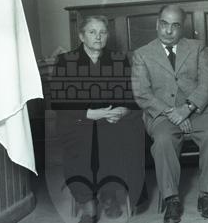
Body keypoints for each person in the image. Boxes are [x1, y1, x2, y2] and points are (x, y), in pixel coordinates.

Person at [49, 15, 145, 223]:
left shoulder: (118, 59)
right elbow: (59, 101)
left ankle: (109, 193)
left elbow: (130, 95)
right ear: (82, 36)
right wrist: (89, 114)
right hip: (79, 121)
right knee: (81, 143)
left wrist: (122, 111)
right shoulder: (65, 61)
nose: (98, 37)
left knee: (118, 137)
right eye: (92, 32)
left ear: (107, 35)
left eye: (102, 32)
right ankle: (87, 202)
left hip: (111, 120)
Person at [131, 5, 208, 223]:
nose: (168, 30)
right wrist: (172, 113)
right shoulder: (142, 54)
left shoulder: (198, 47)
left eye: (175, 25)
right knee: (163, 141)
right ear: (157, 24)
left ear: (183, 28)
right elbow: (142, 93)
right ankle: (171, 199)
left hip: (198, 109)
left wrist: (187, 109)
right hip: (162, 113)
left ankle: (207, 195)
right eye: (164, 24)